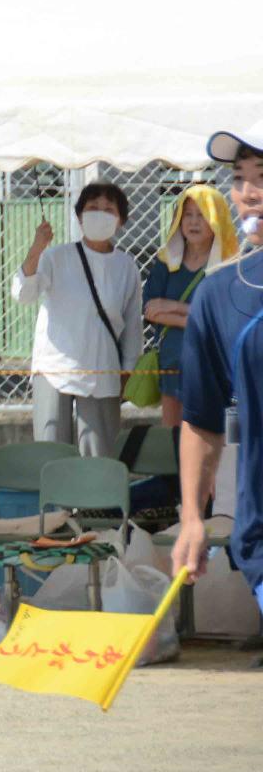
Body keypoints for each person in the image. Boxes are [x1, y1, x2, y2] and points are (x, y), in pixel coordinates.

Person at [173, 131, 263, 617]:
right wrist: (192, 516)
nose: (249, 192)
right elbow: (202, 419)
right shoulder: (219, 292)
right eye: (239, 179)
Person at [14, 182, 144, 457]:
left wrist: (127, 373)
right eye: (92, 208)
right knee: (50, 455)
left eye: (109, 209)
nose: (100, 214)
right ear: (79, 215)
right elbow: (23, 293)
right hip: (53, 368)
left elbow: (132, 327)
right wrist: (37, 248)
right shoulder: (55, 256)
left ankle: (96, 502)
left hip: (102, 369)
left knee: (98, 457)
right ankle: (54, 502)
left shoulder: (126, 266)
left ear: (121, 220)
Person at [143, 186, 238, 429]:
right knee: (174, 439)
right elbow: (150, 310)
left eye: (202, 215)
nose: (193, 222)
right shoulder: (166, 262)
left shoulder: (230, 266)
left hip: (211, 366)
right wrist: (196, 315)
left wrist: (171, 307)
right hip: (171, 363)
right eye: (188, 215)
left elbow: (223, 320)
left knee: (204, 437)